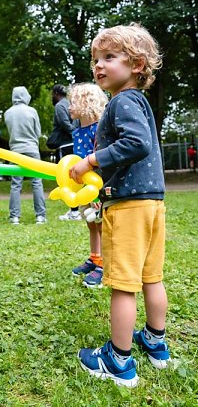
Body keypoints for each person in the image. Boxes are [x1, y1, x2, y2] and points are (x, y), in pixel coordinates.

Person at [70, 23, 170, 387]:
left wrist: (92, 161)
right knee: (151, 277)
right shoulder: (138, 102)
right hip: (152, 205)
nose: (98, 65)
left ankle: (118, 359)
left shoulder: (122, 102)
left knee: (124, 285)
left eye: (109, 57)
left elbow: (136, 144)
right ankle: (156, 345)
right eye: (96, 58)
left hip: (129, 207)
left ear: (137, 64)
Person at [68, 83, 108, 288]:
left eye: (73, 102)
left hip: (99, 186)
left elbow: (102, 158)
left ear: (86, 102)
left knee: (102, 224)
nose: (69, 107)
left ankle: (105, 266)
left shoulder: (100, 128)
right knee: (90, 223)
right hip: (84, 188)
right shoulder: (78, 131)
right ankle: (95, 258)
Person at [4, 86, 46, 224]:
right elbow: (38, 132)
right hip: (32, 149)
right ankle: (40, 216)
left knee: (16, 184)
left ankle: (14, 217)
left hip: (15, 151)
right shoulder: (32, 111)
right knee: (37, 182)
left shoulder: (8, 113)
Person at [47, 84, 81, 221]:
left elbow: (64, 124)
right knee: (74, 176)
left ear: (56, 93)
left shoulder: (60, 106)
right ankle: (75, 209)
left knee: (66, 178)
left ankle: (74, 211)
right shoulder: (71, 104)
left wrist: (74, 134)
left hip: (65, 144)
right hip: (72, 144)